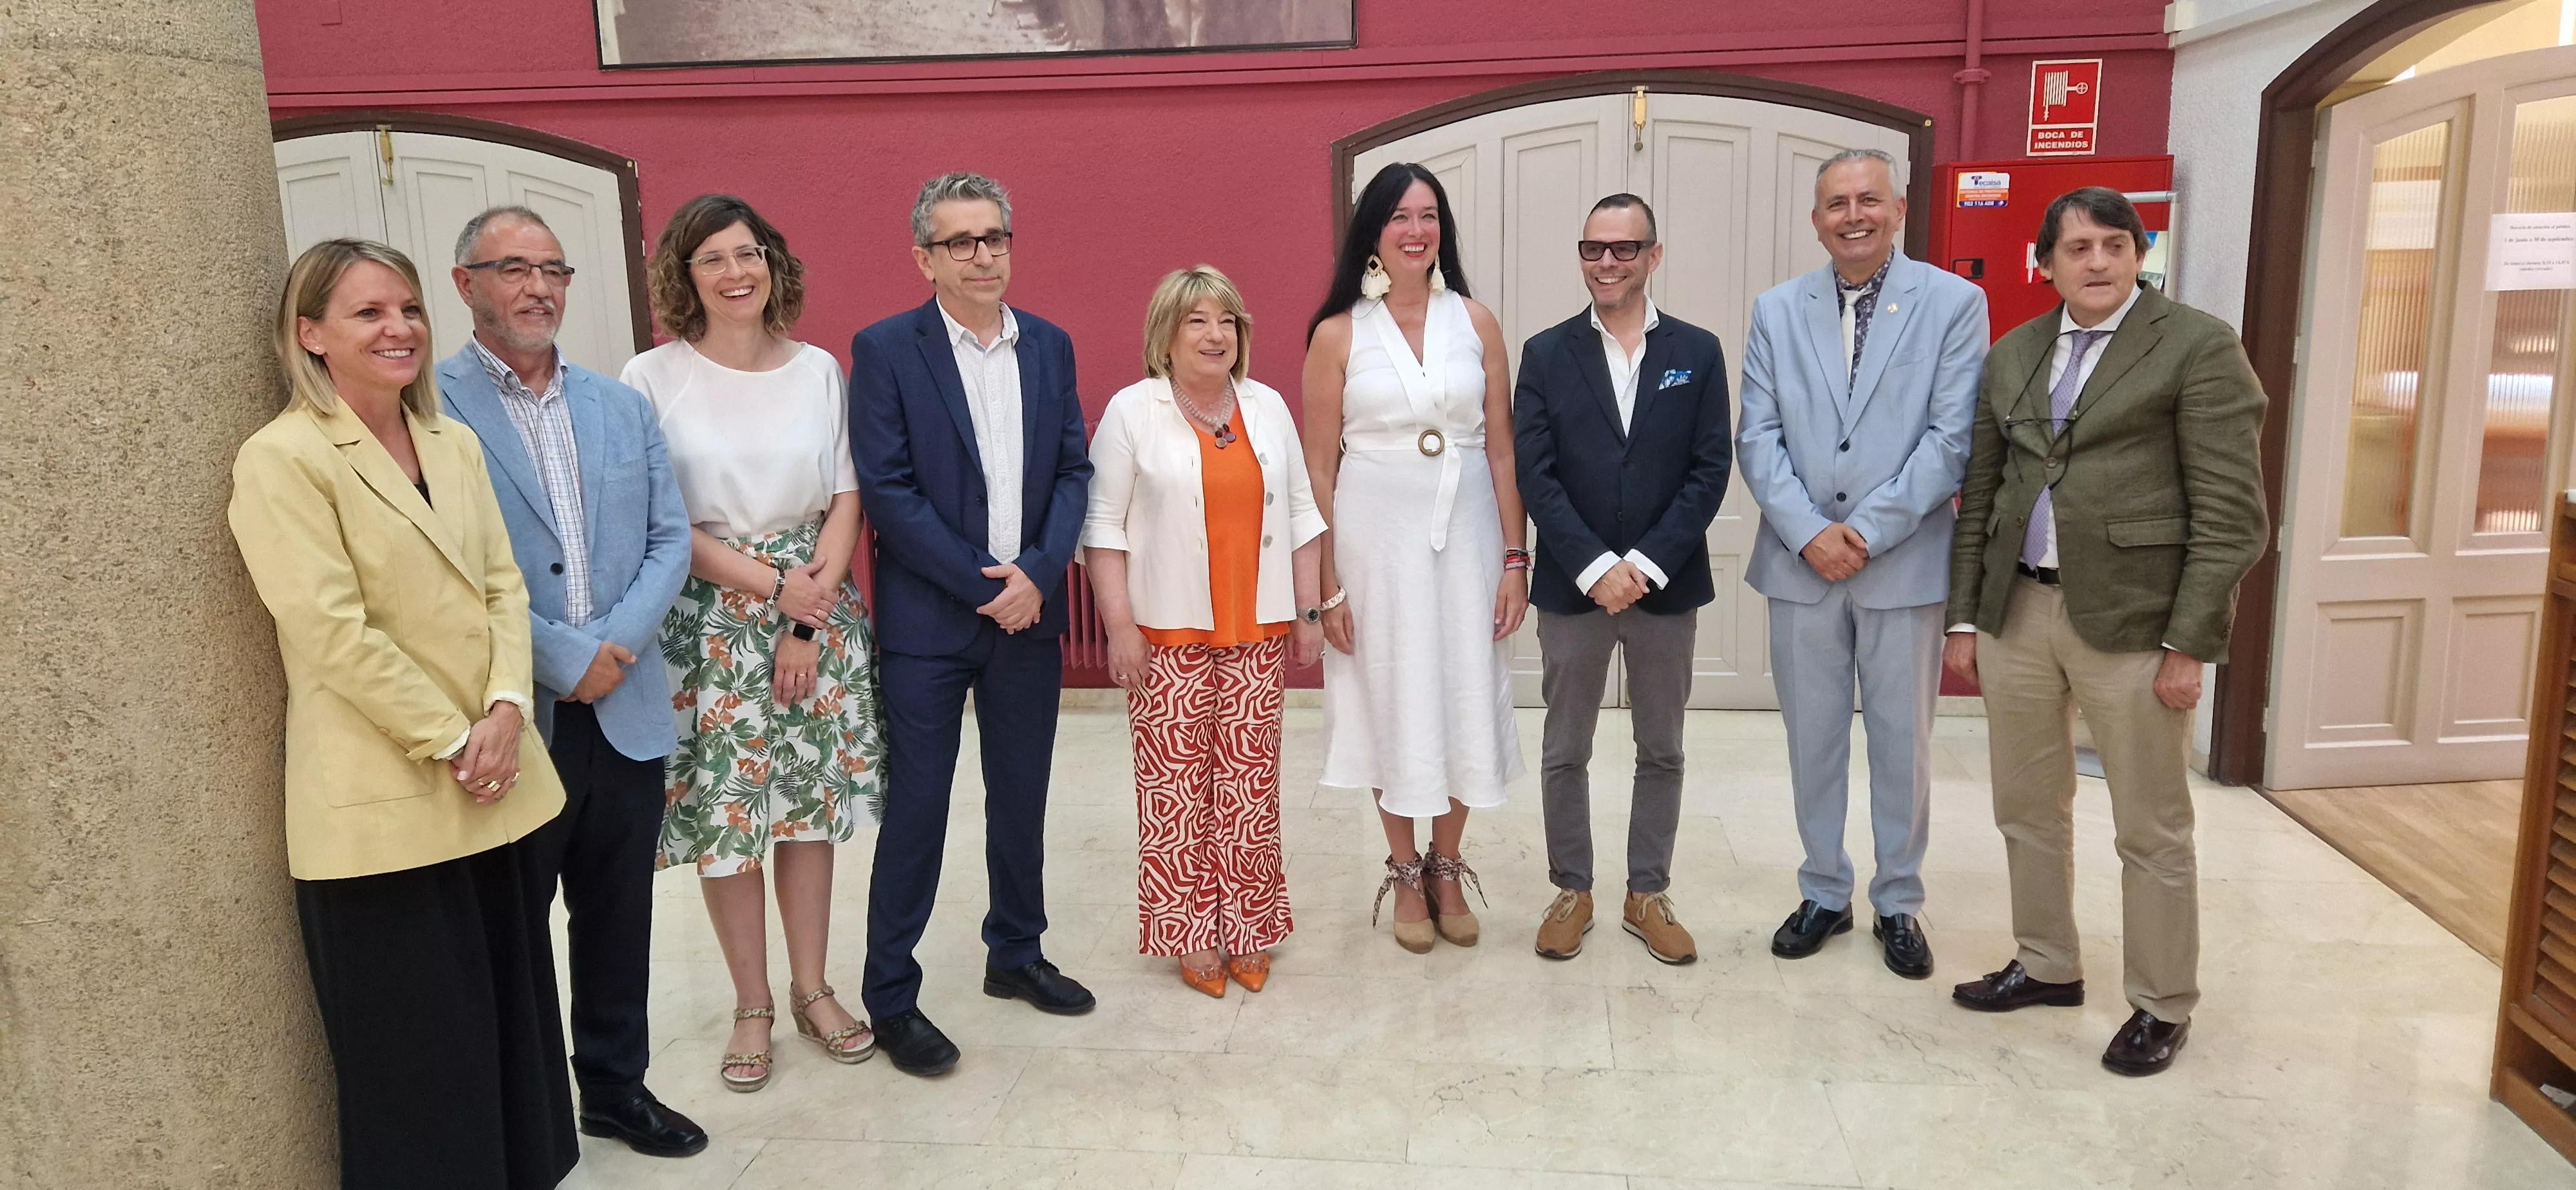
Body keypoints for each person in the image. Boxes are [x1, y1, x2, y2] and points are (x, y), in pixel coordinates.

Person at [230, 238, 576, 1189]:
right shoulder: (283, 459)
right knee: (422, 1074)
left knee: (514, 1045)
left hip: (493, 789)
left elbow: (503, 586)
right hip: (386, 811)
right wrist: (458, 736)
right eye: (369, 313)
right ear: (310, 334)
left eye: (410, 309)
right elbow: (328, 632)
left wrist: (508, 706)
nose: (400, 329)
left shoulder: (451, 442)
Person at [1944, 187, 2267, 1077]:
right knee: (2026, 807)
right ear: (2045, 263)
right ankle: (2046, 964)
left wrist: (2191, 641)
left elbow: (2233, 515)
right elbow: (1983, 497)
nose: (2096, 262)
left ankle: (2163, 1002)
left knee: (2150, 826)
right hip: (2018, 613)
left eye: (2114, 246)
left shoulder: (2198, 347)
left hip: (2135, 621)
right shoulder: (2013, 355)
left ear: (2137, 256)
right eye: (2077, 248)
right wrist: (1966, 619)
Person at [437, 206, 705, 1155]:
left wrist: (613, 649)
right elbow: (447, 571)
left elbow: (672, 538)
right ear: (465, 282)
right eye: (513, 269)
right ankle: (528, 1113)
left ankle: (616, 1089)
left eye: (554, 269)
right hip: (515, 712)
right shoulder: (429, 410)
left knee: (617, 914)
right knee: (514, 922)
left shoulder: (618, 403)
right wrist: (561, 659)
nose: (538, 287)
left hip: (624, 707)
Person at [621, 194, 887, 1093]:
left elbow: (848, 495)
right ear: (684, 277)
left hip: (816, 610)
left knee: (807, 813)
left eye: (749, 254)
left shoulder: (818, 369)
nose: (736, 274)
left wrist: (805, 616)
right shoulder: (651, 378)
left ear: (773, 263)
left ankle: (813, 989)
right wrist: (773, 590)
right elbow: (661, 519)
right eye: (713, 261)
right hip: (711, 622)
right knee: (729, 820)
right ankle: (752, 1004)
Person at [849, 172, 1097, 1075]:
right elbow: (889, 492)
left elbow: (1074, 470)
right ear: (924, 258)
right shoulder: (885, 351)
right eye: (961, 242)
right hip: (930, 624)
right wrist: (987, 585)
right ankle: (890, 997)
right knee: (919, 808)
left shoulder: (1051, 346)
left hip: (1029, 619)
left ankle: (1016, 953)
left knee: (1021, 793)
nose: (983, 254)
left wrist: (1037, 573)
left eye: (994, 236)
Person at [1738, 149, 1989, 979]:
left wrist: (1865, 532)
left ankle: (1898, 902)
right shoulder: (1777, 310)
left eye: (1869, 200)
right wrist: (1810, 531)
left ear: (1899, 208)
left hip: (1902, 563)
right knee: (1812, 739)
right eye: (1836, 203)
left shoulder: (1955, 304)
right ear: (1815, 220)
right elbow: (1757, 436)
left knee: (1900, 743)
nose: (1853, 215)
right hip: (1799, 564)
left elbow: (1950, 440)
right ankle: (1822, 889)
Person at [1302, 162, 1528, 954]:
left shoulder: (1477, 321)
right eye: (1398, 216)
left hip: (1466, 536)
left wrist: (1513, 558)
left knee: (1466, 686)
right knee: (1387, 693)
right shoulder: (1338, 334)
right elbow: (1317, 470)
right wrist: (1326, 588)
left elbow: (1502, 453)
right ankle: (1403, 869)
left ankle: (1447, 862)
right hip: (1374, 544)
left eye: (1428, 216)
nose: (1415, 231)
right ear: (1372, 232)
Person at [1084, 265, 1327, 997]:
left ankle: (1248, 924)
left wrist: (1309, 611)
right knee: (1175, 791)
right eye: (1196, 320)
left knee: (1251, 788)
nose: (1215, 334)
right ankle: (1190, 935)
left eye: (1226, 320)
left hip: (1255, 630)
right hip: (1165, 636)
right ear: (1165, 335)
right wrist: (1118, 624)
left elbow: (1301, 513)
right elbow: (1101, 526)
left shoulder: (1268, 405)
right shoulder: (1133, 411)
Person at [1511, 194, 1732, 965]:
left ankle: (1647, 893)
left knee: (1662, 747)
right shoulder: (1545, 354)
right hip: (1574, 587)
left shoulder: (1697, 352)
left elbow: (1710, 471)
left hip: (1664, 587)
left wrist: (1641, 564)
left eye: (1623, 249)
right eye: (1593, 249)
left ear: (1653, 256)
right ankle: (1572, 889)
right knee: (1564, 747)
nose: (1607, 262)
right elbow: (1535, 476)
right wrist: (1596, 565)